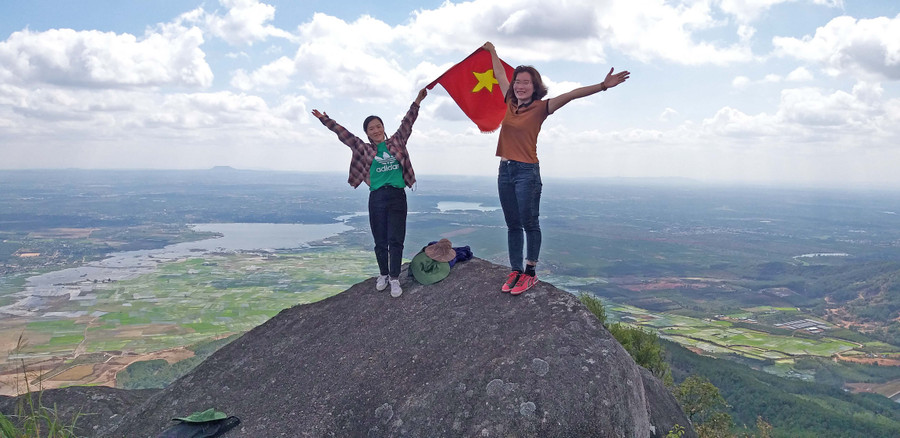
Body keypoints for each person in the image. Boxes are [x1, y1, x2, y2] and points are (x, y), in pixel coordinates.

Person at [483, 41, 630, 295]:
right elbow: (498, 75)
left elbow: (571, 95)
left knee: (530, 223)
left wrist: (603, 86)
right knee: (512, 224)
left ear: (535, 86)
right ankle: (515, 270)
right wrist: (492, 52)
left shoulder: (542, 107)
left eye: (526, 82)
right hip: (504, 170)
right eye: (517, 81)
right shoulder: (510, 101)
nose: (520, 86)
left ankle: (530, 273)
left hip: (526, 172)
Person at [312, 88, 428, 298]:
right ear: (366, 133)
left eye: (378, 126)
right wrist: (324, 119)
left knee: (396, 239)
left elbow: (408, 122)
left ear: (384, 128)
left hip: (397, 196)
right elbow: (343, 134)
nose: (375, 130)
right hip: (377, 197)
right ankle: (383, 274)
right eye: (371, 128)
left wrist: (418, 101)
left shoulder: (397, 141)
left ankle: (394, 278)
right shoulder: (364, 149)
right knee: (380, 240)